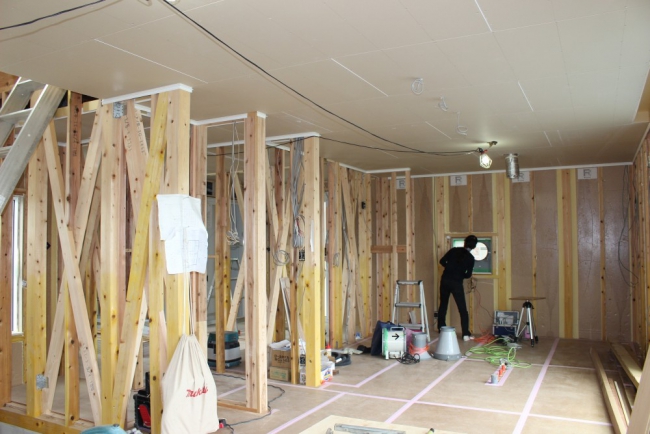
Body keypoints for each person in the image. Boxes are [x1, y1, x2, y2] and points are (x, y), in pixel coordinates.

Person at [437, 235, 477, 341]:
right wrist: (460, 273)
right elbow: (468, 275)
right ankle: (465, 334)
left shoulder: (454, 250)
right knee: (462, 309)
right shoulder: (471, 258)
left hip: (445, 280)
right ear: (474, 246)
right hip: (456, 283)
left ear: (465, 242)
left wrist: (450, 268)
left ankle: (441, 328)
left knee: (443, 305)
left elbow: (442, 261)